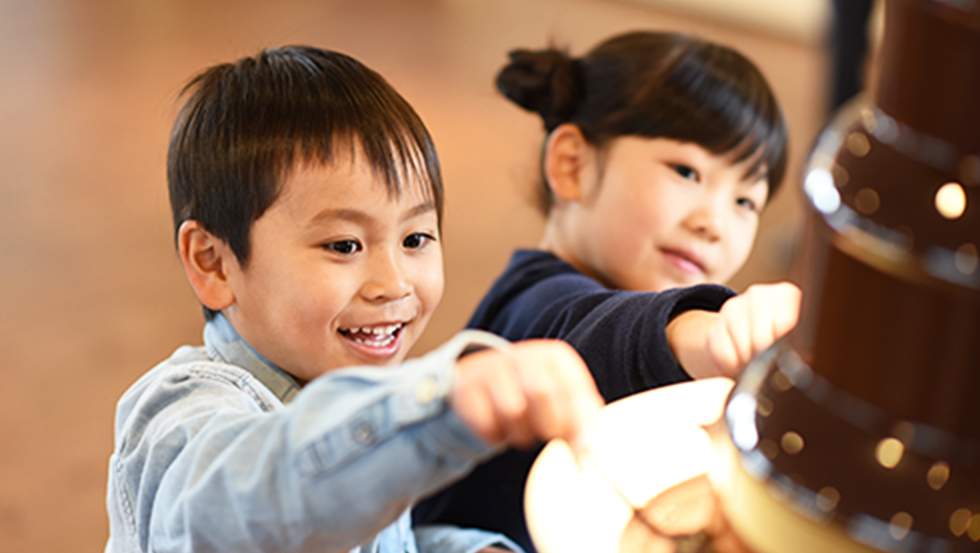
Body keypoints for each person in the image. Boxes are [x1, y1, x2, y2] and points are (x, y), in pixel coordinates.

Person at [103, 45, 605, 553]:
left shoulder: (357, 391)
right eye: (344, 246)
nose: (393, 284)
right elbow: (247, 508)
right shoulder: (182, 413)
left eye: (415, 239)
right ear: (213, 262)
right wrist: (440, 401)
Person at [414, 31, 802, 552]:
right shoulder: (534, 300)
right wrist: (708, 335)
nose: (714, 222)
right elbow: (605, 330)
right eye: (686, 171)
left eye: (745, 201)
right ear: (572, 164)